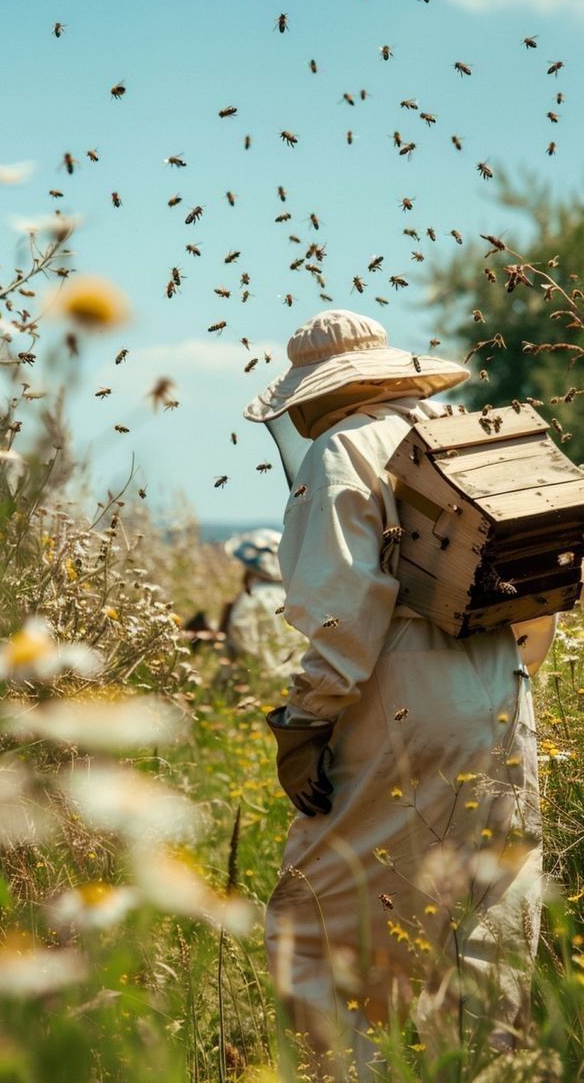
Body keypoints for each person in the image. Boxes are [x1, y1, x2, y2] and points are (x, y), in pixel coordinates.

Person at [243, 309, 555, 1081]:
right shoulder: (469, 436)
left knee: (321, 925)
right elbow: (544, 592)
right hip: (503, 695)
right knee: (482, 923)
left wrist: (300, 725)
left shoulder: (340, 449)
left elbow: (345, 621)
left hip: (399, 700)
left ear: (317, 396)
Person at [223, 529, 306, 681]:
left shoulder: (251, 598)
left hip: (259, 681)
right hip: (297, 679)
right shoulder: (297, 597)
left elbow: (242, 647)